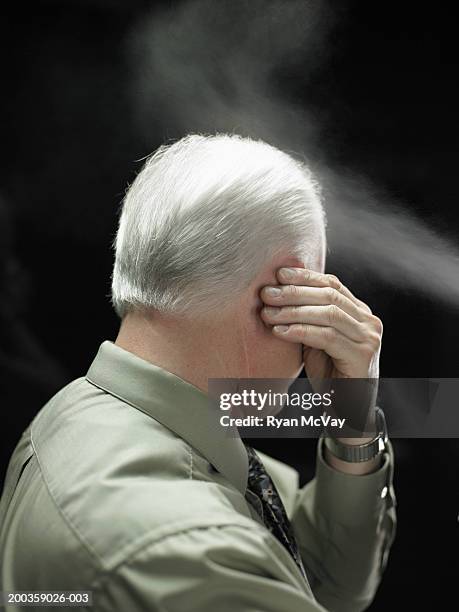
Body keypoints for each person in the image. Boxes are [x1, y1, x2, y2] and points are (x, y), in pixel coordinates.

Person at [0, 134, 396, 611]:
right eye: (322, 289)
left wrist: (349, 418)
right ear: (285, 295)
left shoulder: (78, 415)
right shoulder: (194, 553)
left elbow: (324, 581)